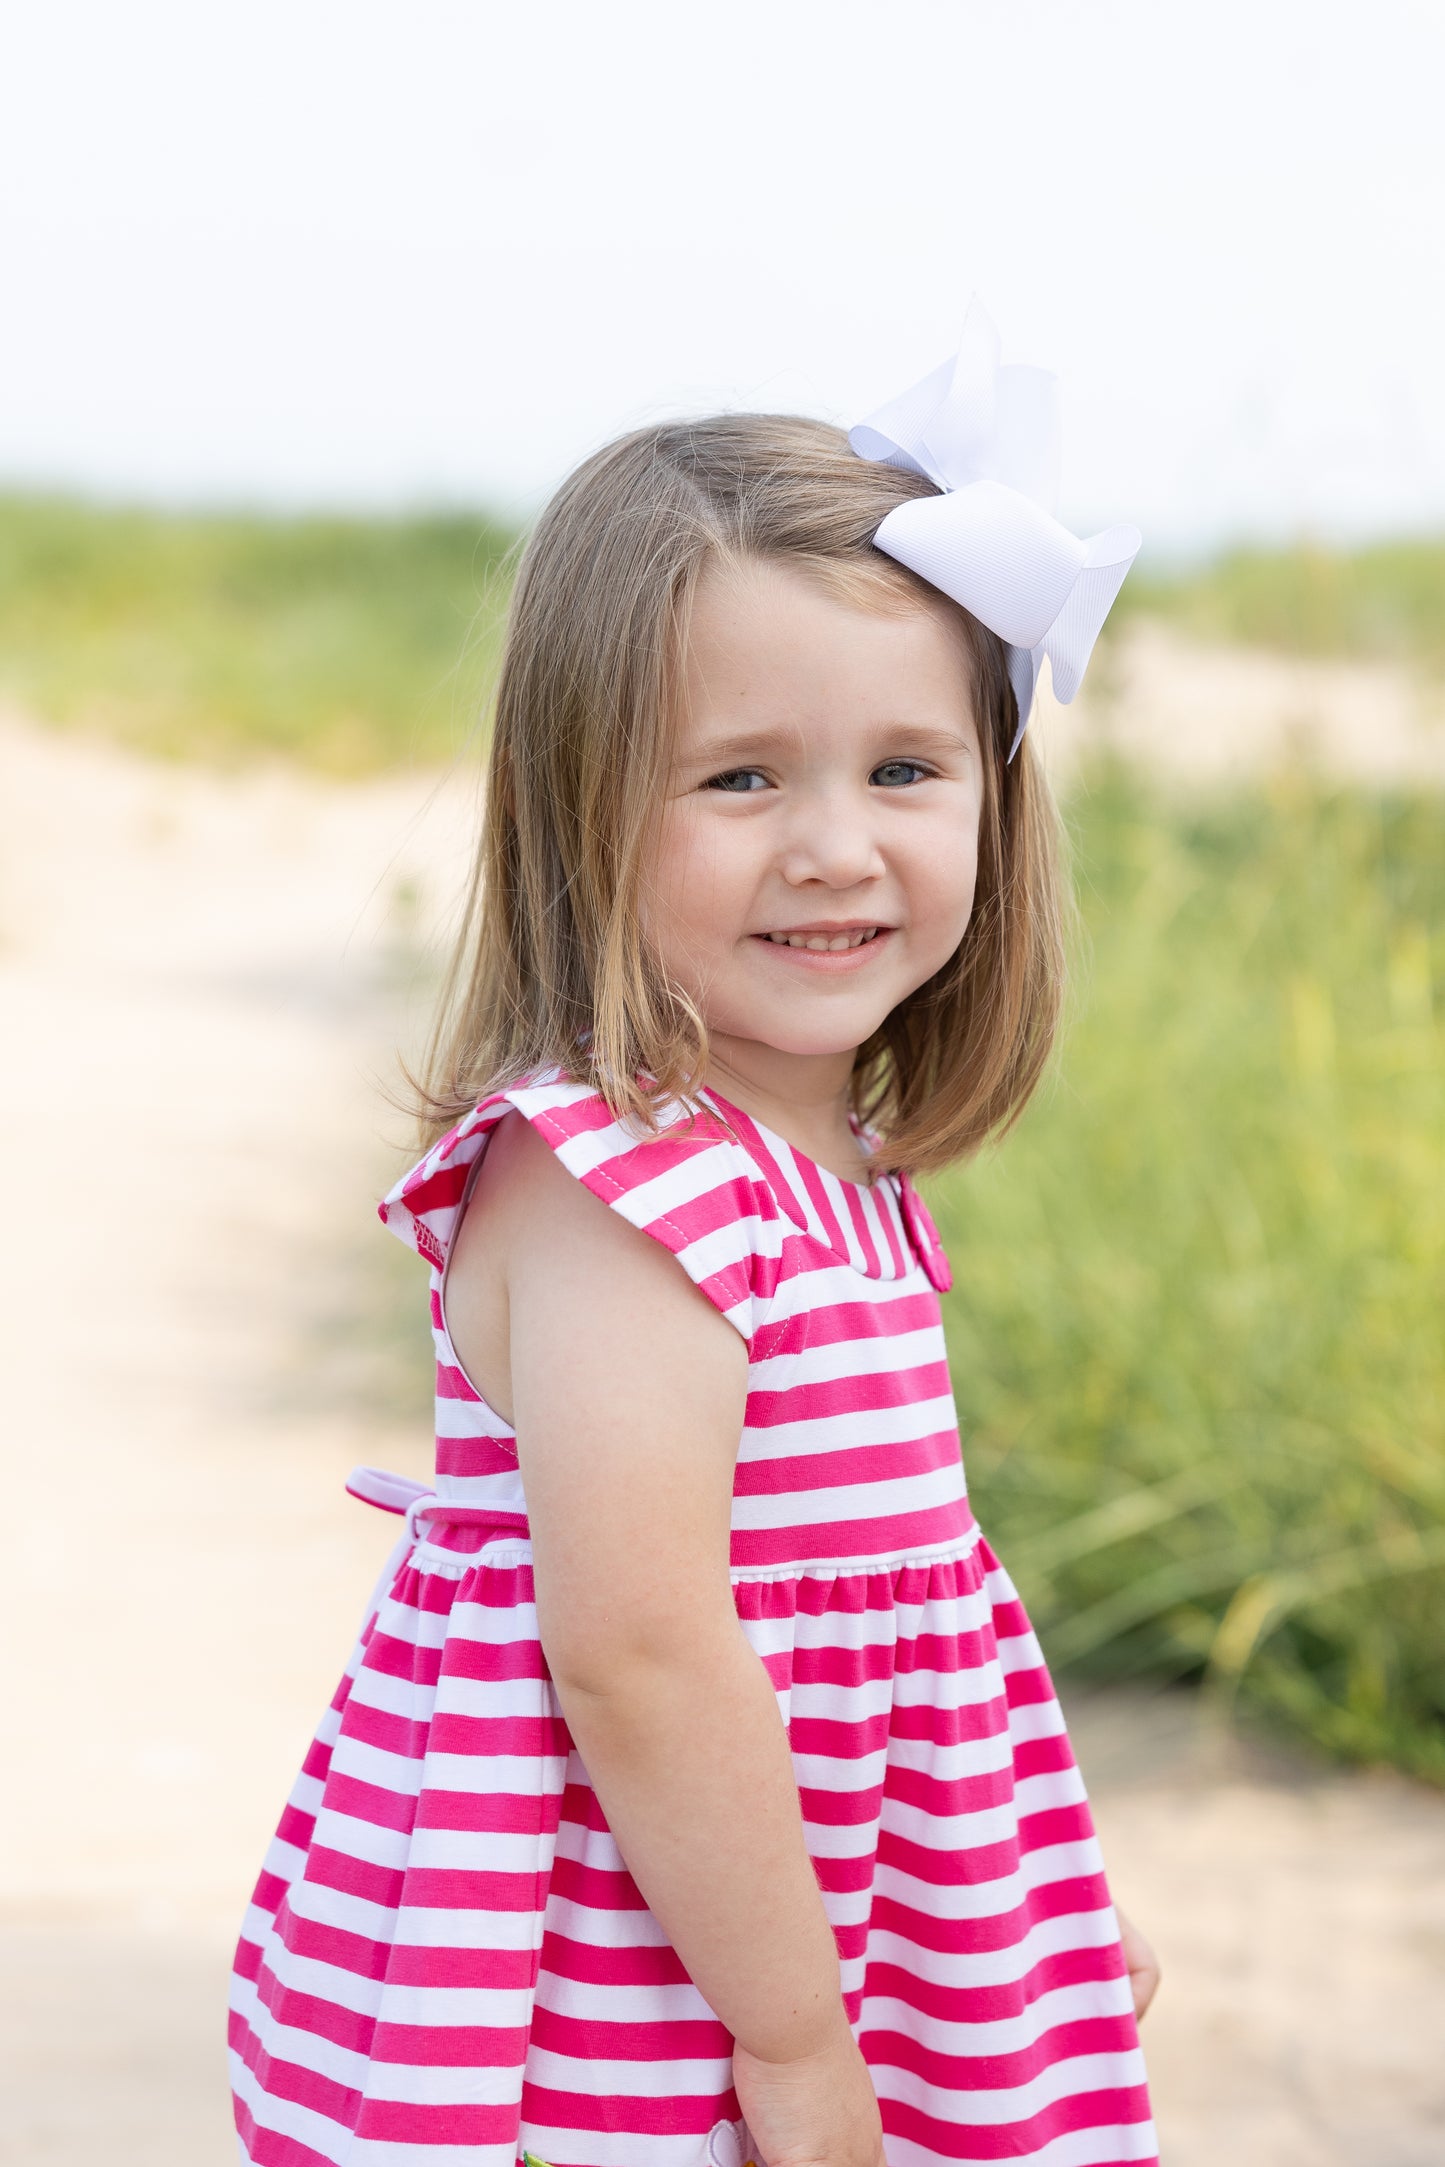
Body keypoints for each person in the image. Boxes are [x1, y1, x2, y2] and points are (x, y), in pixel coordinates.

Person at [229, 302, 1162, 2167]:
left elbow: (895, 1632)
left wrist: (1011, 1908)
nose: (834, 845)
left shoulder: (841, 1169)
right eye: (742, 778)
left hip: (814, 1916)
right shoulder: (611, 1183)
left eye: (906, 771)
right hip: (642, 1976)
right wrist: (802, 2045)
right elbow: (641, 1652)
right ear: (587, 814)